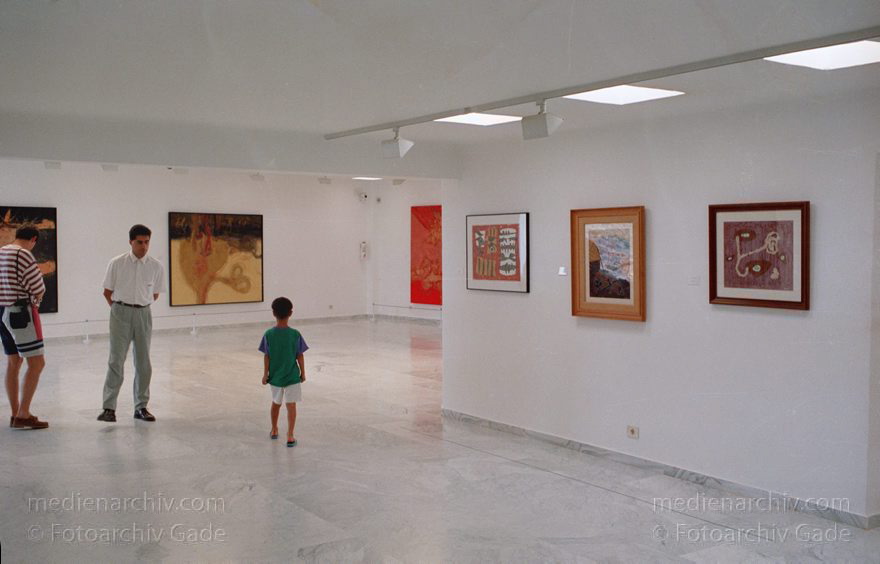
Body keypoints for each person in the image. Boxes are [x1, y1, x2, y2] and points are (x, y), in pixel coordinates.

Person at [97, 224, 165, 423]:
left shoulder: (156, 266)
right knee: (116, 360)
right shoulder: (117, 263)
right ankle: (109, 408)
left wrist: (140, 306)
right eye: (139, 242)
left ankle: (141, 407)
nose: (144, 246)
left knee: (144, 362)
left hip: (143, 313)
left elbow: (155, 294)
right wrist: (118, 309)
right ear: (131, 242)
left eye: (147, 242)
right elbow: (107, 292)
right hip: (120, 311)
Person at [0, 225, 48, 430]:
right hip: (20, 314)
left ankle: (15, 413)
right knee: (37, 363)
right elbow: (38, 287)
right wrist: (36, 300)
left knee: (13, 362)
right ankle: (23, 414)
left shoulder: (2, 252)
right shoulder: (23, 254)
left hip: (2, 312)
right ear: (33, 239)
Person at [259, 297, 308, 447]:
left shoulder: (268, 334)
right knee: (291, 405)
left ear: (273, 313)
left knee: (276, 403)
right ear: (290, 313)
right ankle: (290, 435)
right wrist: (303, 373)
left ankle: (274, 429)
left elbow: (267, 356)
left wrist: (265, 374)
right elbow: (300, 355)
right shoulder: (295, 334)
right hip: (292, 376)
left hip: (275, 377)